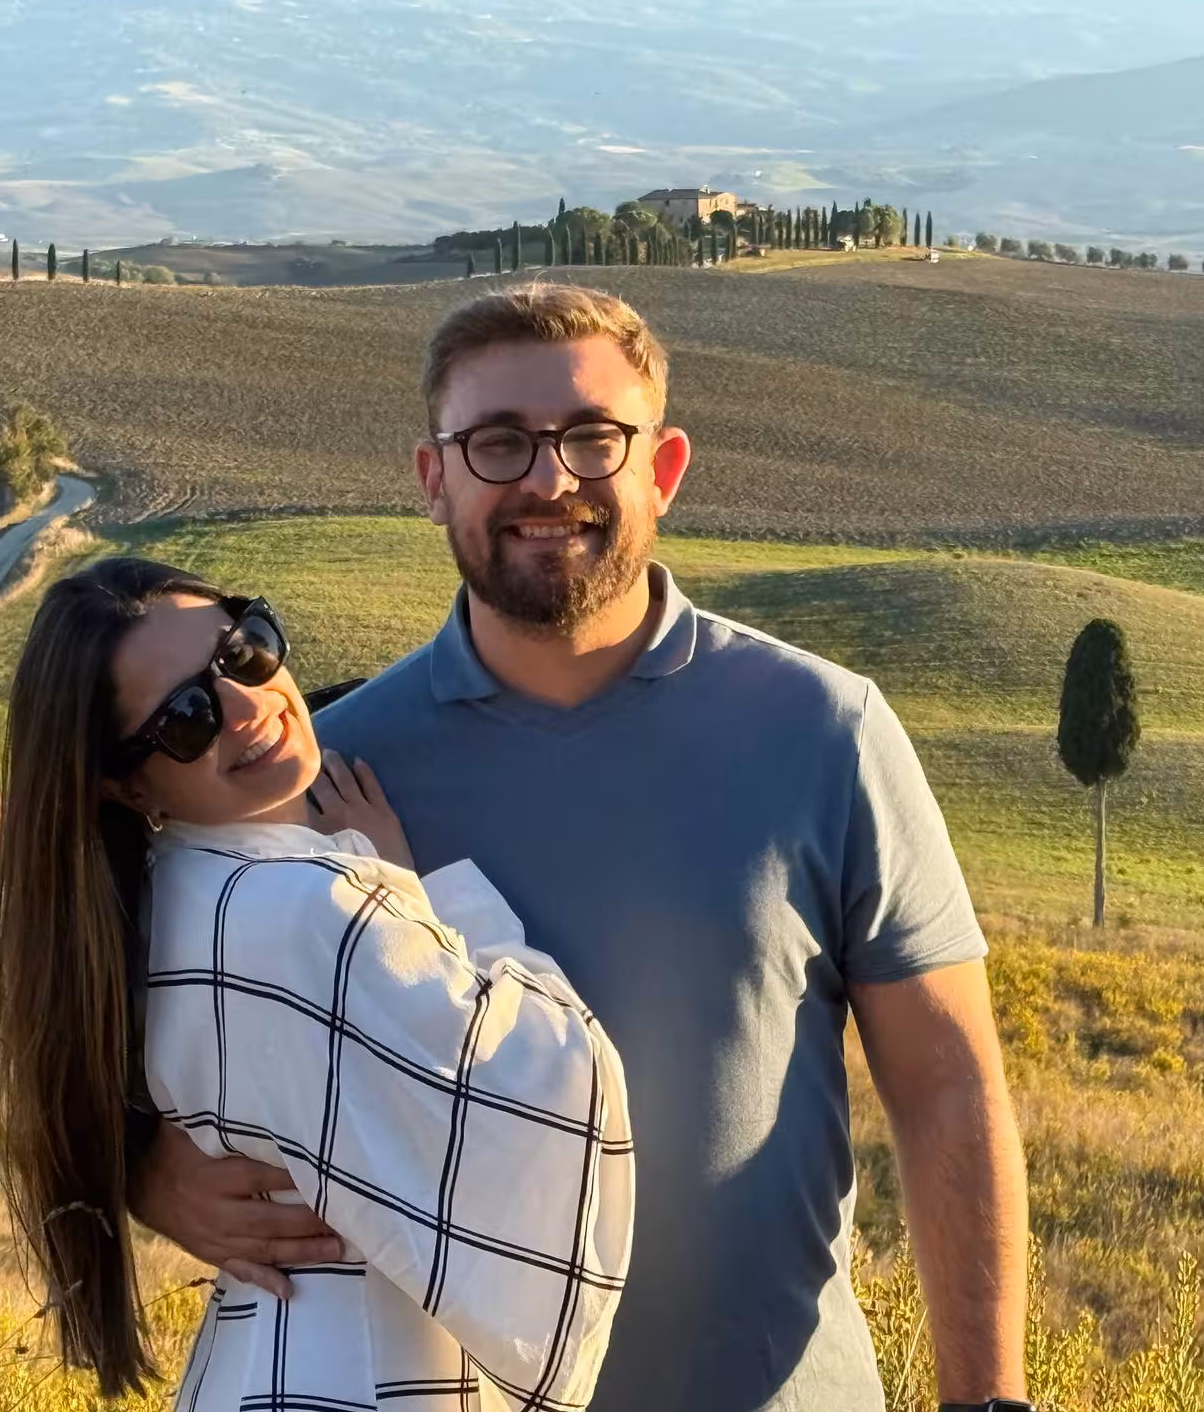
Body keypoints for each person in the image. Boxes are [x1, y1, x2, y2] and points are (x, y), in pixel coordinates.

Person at [133, 284, 1031, 1411]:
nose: (549, 480)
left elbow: (948, 1085)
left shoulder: (824, 730)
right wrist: (141, 1167)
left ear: (663, 468)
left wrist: (987, 1402)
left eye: (593, 438)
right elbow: (115, 983)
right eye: (498, 442)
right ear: (434, 479)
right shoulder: (324, 774)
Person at [0, 558, 634, 1409]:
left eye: (243, 652)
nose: (249, 706)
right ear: (125, 783)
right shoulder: (309, 911)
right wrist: (418, 894)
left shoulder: (152, 907)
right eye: (188, 718)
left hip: (260, 1360)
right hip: (369, 1371)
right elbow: (554, 1089)